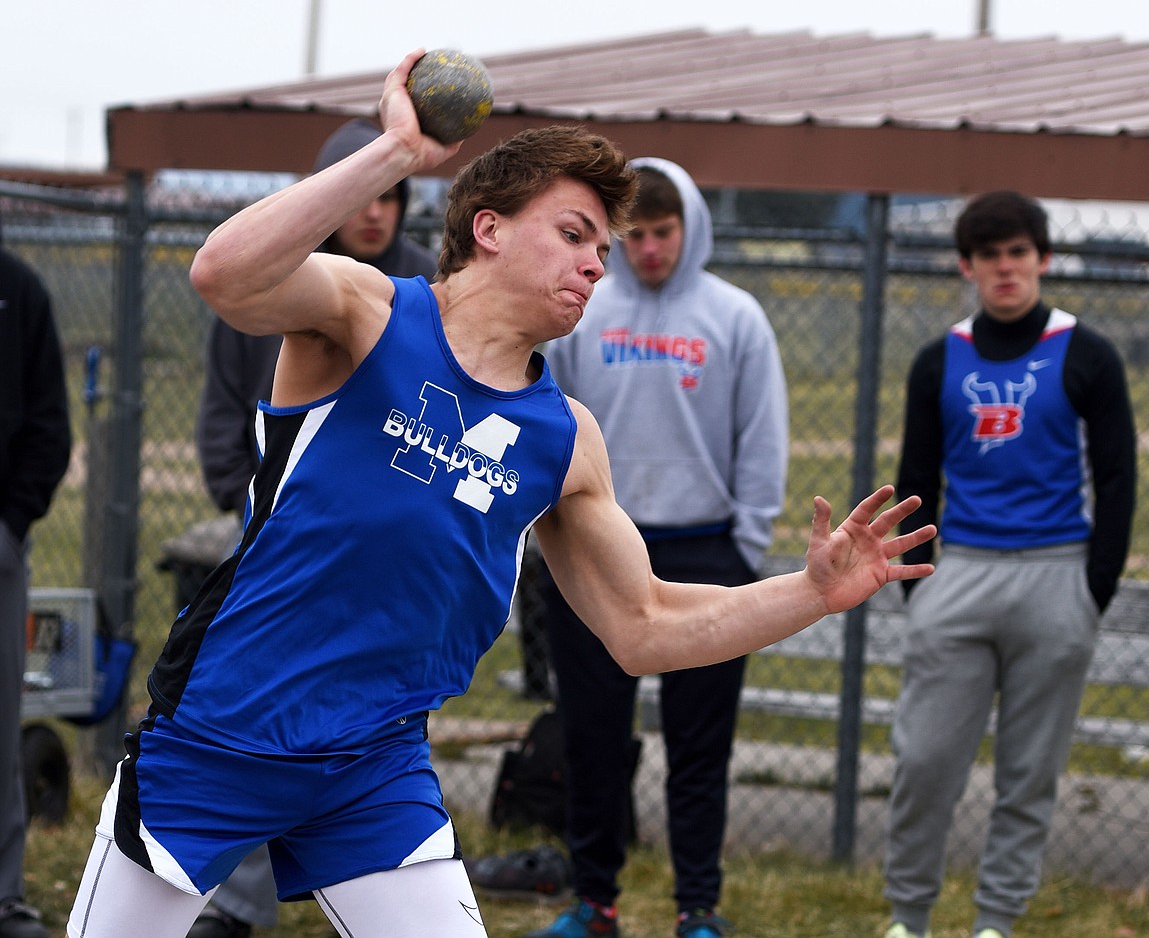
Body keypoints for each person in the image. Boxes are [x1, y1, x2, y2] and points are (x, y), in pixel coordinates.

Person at [66, 49, 935, 938]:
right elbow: (224, 274)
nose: (598, 264)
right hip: (222, 734)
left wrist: (811, 593)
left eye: (603, 248)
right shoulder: (367, 315)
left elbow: (644, 625)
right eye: (573, 234)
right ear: (488, 228)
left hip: (373, 765)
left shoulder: (565, 439)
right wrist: (396, 153)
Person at [187, 118, 439, 938]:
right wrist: (244, 495)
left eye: (394, 197)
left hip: (377, 567)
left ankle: (368, 897)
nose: (378, 212)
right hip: (272, 541)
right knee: (256, 719)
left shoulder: (423, 298)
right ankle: (237, 901)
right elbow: (226, 403)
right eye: (367, 192)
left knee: (371, 731)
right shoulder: (275, 280)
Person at [526, 159, 788, 938]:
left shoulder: (734, 317)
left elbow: (762, 439)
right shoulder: (585, 309)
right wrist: (558, 536)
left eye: (663, 233)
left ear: (691, 228)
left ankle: (697, 907)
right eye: (632, 235)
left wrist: (744, 547)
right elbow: (549, 419)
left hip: (706, 550)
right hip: (596, 553)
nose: (648, 249)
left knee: (700, 748)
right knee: (592, 736)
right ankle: (593, 901)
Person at [882, 190, 1136, 938]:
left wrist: (1093, 589)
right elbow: (917, 476)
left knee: (1028, 774)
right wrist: (920, 589)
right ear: (967, 265)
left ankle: (995, 920)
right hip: (959, 573)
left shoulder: (1088, 354)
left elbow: (1120, 480)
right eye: (989, 256)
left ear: (1043, 259)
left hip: (1059, 576)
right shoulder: (939, 360)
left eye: (1018, 253)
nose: (1005, 269)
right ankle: (908, 916)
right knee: (925, 761)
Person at [0, 220, 73, 938]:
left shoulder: (18, 291)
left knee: (0, 722)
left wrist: (12, 522)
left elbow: (50, 424)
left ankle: (2, 894)